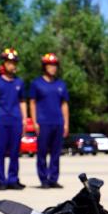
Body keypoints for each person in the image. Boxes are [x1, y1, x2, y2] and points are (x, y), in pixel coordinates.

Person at [0, 48, 26, 190]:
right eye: (9, 62)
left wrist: (24, 119)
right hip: (1, 120)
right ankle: (2, 180)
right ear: (4, 64)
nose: (12, 65)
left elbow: (22, 101)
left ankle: (13, 179)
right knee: (1, 152)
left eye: (14, 62)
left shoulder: (19, 82)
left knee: (15, 152)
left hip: (16, 120)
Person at [27, 52, 69, 189]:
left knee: (56, 153)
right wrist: (34, 122)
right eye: (50, 65)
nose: (53, 68)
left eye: (55, 65)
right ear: (44, 66)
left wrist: (66, 123)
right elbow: (32, 103)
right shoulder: (36, 83)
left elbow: (64, 104)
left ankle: (53, 179)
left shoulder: (61, 84)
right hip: (43, 122)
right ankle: (43, 179)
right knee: (42, 152)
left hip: (58, 122)